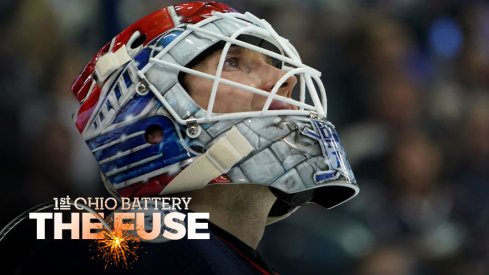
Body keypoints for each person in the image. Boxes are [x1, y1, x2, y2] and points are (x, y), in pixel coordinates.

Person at [7, 1, 359, 274]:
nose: (284, 78)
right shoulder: (100, 245)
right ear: (150, 122)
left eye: (274, 62)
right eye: (234, 62)